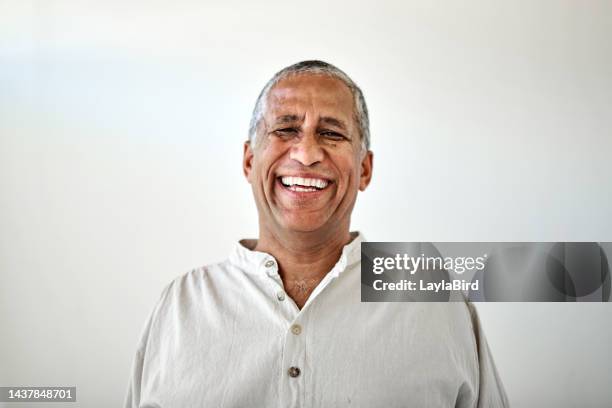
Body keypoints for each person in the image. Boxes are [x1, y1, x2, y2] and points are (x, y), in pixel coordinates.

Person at [124, 60, 509, 407]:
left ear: (364, 170)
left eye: (332, 133)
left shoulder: (437, 304)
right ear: (248, 160)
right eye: (286, 128)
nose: (307, 153)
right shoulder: (179, 306)